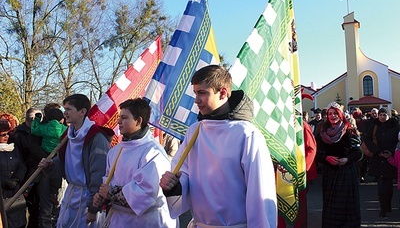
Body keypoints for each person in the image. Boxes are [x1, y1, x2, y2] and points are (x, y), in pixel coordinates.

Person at [159, 65, 277, 227]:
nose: (196, 100)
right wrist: (173, 186)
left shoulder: (246, 134)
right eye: (195, 93)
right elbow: (185, 174)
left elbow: (259, 191)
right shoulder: (195, 131)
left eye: (202, 93)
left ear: (222, 93)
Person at [93, 98, 176, 227]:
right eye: (119, 117)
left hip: (144, 221)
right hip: (118, 219)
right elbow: (107, 182)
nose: (119, 121)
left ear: (138, 121)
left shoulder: (153, 152)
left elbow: (147, 194)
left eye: (124, 117)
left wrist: (110, 193)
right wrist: (101, 197)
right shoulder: (116, 151)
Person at [38, 94, 113, 227]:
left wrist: (92, 208)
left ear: (82, 112)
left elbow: (99, 174)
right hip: (71, 194)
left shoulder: (95, 138)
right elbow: (62, 163)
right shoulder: (68, 135)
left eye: (69, 109)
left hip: (87, 198)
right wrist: (50, 165)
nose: (65, 113)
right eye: (64, 109)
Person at [316, 102, 362, 227]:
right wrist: (326, 158)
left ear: (340, 114)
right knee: (331, 206)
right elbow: (317, 153)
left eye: (335, 113)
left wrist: (346, 159)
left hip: (346, 174)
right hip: (330, 174)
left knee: (345, 205)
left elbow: (358, 152)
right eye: (330, 113)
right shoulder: (322, 132)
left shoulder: (349, 130)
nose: (332, 116)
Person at [364, 107, 399, 218]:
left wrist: (391, 153)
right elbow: (367, 139)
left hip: (390, 159)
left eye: (384, 115)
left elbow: (398, 141)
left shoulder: (395, 126)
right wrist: (376, 151)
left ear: (389, 116)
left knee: (388, 186)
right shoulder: (374, 126)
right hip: (378, 159)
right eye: (381, 115)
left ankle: (388, 205)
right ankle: (383, 209)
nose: (382, 117)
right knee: (381, 186)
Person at [12, 107, 42, 228]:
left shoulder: (41, 132)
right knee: (20, 208)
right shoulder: (18, 134)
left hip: (37, 174)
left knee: (35, 207)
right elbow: (18, 155)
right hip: (24, 175)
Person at [31, 108, 67, 206]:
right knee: (57, 174)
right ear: (61, 119)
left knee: (43, 176)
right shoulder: (64, 129)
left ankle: (29, 187)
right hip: (57, 154)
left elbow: (34, 130)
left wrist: (37, 120)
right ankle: (54, 192)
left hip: (45, 153)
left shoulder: (45, 127)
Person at [0, 118, 27, 228]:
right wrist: (5, 181)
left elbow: (22, 165)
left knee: (18, 222)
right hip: (1, 193)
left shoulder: (13, 148)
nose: (7, 136)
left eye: (8, 133)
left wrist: (17, 179)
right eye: (3, 134)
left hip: (15, 192)